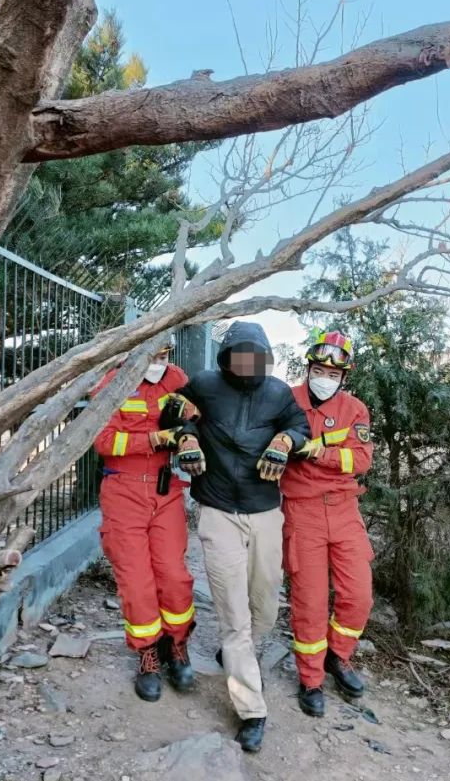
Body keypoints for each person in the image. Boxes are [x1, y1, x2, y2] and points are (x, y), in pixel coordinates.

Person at [176, 321, 310, 753]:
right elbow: (173, 416)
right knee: (233, 614)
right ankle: (252, 710)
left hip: (266, 512)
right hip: (217, 512)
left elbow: (301, 427)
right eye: (238, 354)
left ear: (266, 358)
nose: (246, 362)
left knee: (266, 603)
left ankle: (240, 652)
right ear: (226, 356)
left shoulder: (278, 393)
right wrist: (187, 438)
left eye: (255, 355)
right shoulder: (205, 385)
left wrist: (286, 441)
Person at [91, 335, 199, 703]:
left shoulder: (176, 378)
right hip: (123, 490)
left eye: (164, 355)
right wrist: (153, 440)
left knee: (174, 575)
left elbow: (194, 414)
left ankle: (176, 644)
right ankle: (148, 654)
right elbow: (103, 442)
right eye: (151, 356)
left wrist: (187, 436)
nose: (158, 362)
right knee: (136, 582)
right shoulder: (112, 383)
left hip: (166, 491)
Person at [279, 330, 375, 718]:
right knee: (310, 602)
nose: (325, 377)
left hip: (344, 510)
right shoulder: (285, 401)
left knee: (358, 596)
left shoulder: (355, 409)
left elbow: (362, 460)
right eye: (319, 369)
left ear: (344, 376)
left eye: (333, 373)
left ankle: (339, 656)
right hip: (301, 512)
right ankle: (311, 678)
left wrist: (318, 452)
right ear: (309, 368)